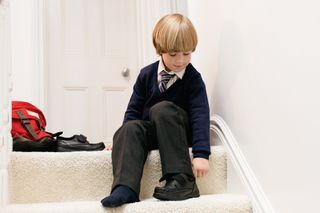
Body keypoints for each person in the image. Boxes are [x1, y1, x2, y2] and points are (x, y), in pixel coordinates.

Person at [101, 13, 211, 208]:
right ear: (160, 50)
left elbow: (200, 115)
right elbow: (133, 110)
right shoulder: (146, 74)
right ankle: (125, 188)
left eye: (186, 54)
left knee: (162, 109)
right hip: (154, 132)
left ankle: (182, 179)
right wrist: (123, 136)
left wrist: (201, 154)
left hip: (178, 132)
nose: (180, 61)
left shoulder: (193, 79)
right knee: (129, 128)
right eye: (173, 54)